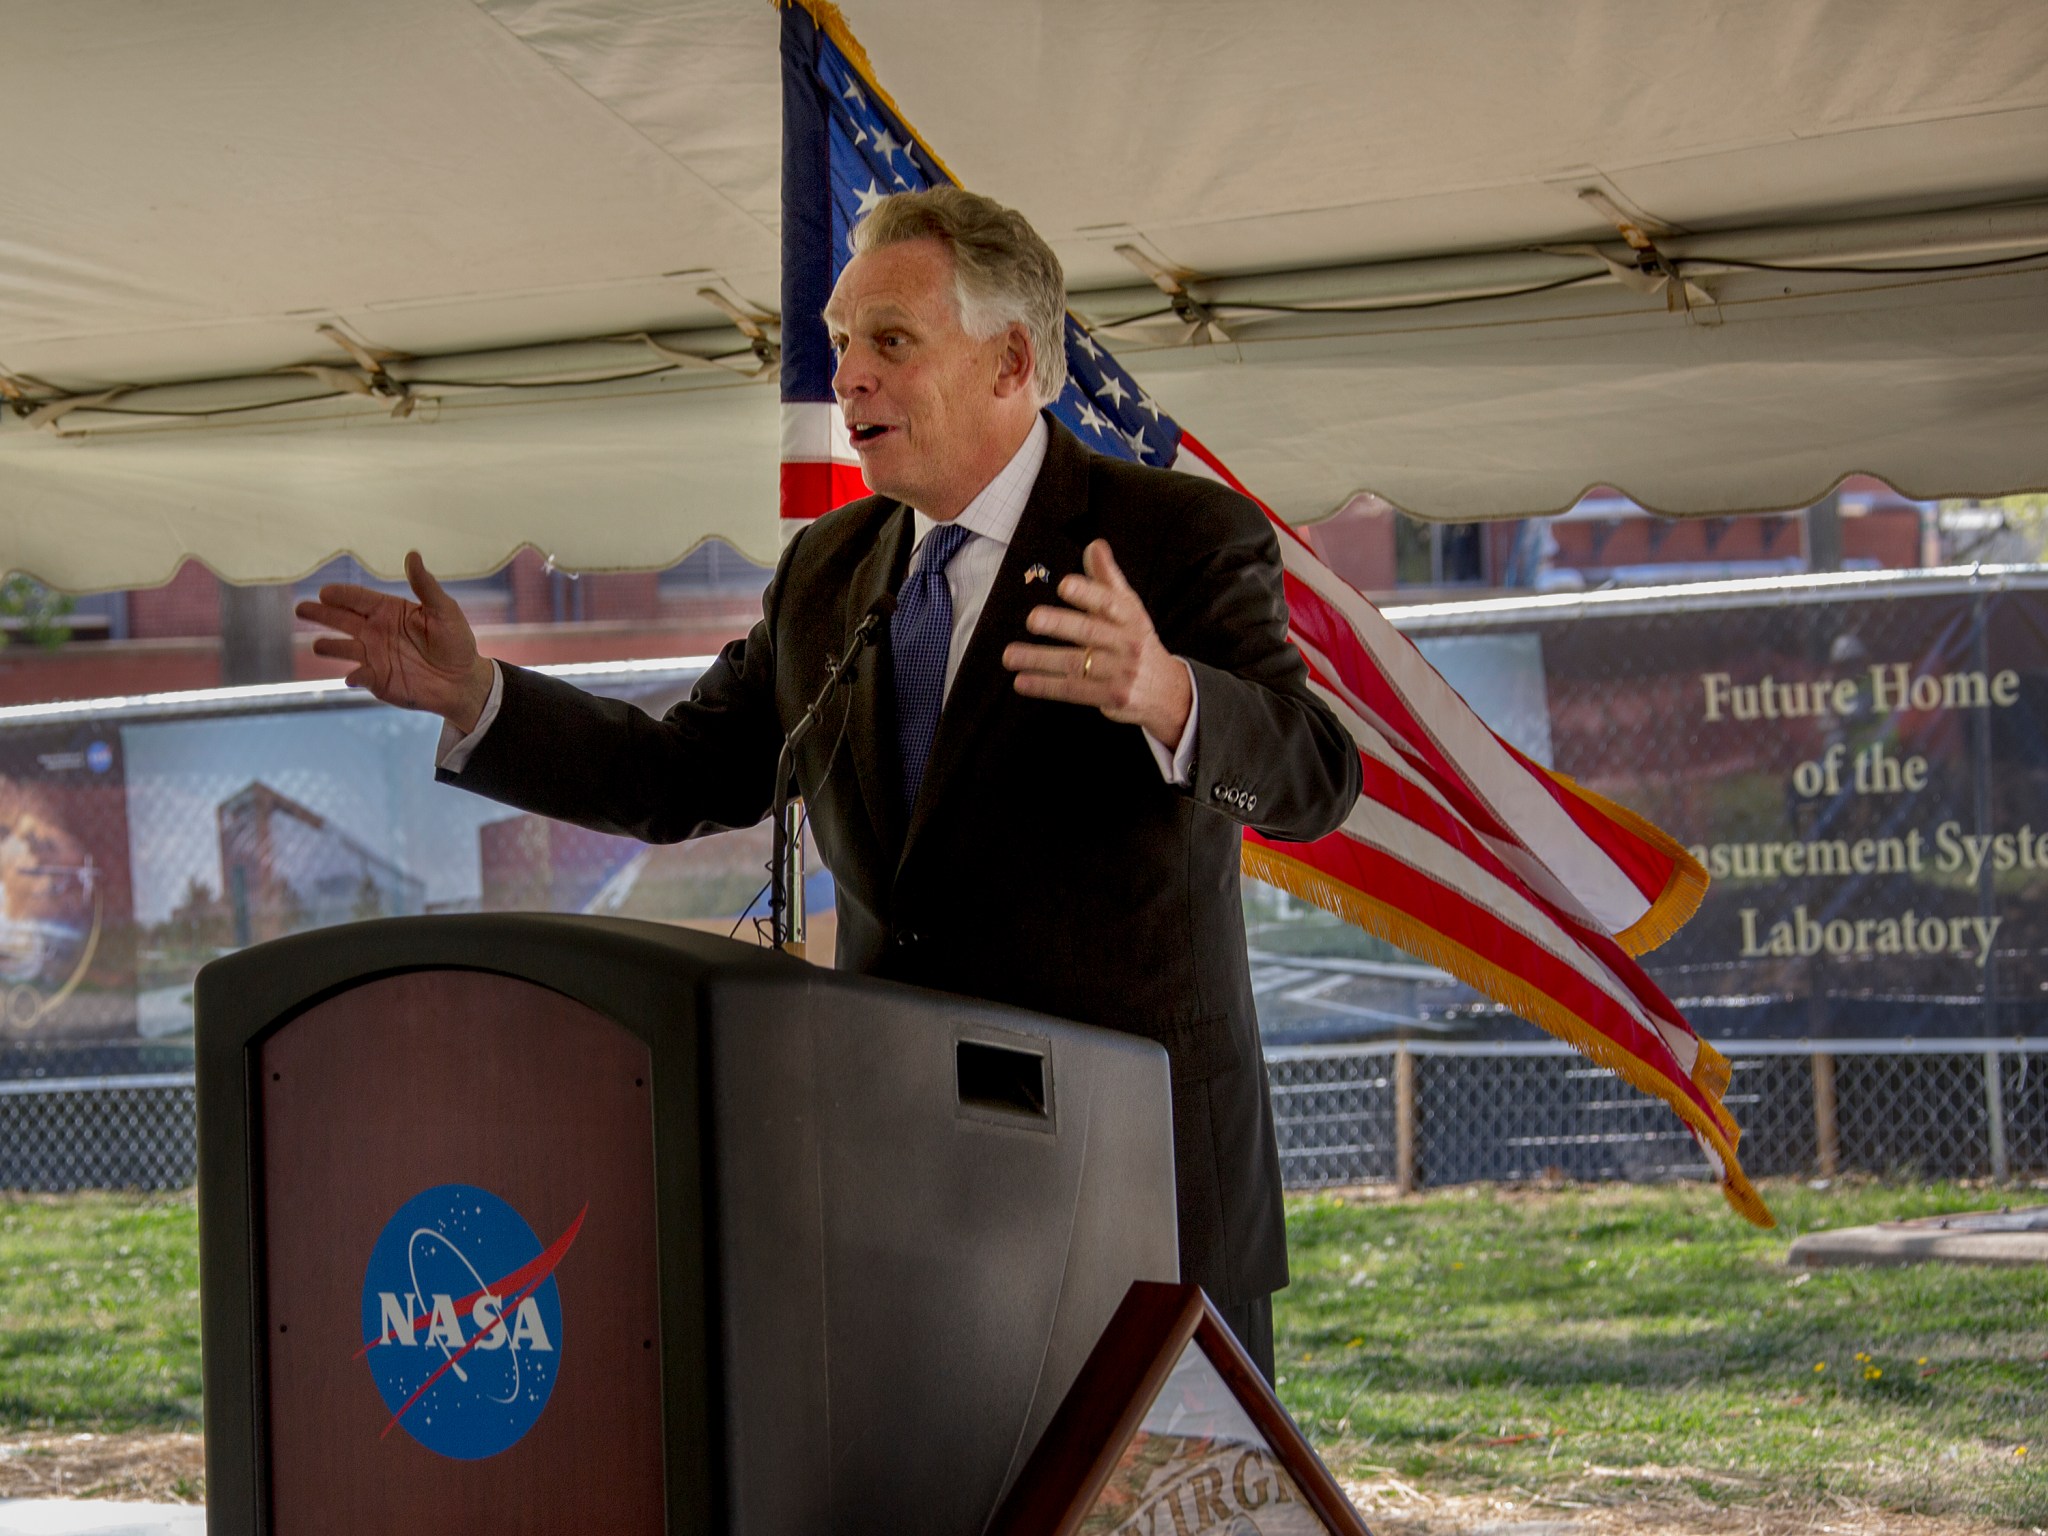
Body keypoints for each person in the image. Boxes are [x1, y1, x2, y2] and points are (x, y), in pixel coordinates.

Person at [298, 188, 1361, 1380]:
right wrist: (479, 698)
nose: (845, 377)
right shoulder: (827, 569)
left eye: (889, 341)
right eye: (839, 339)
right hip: (910, 1189)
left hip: (1139, 1192)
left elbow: (1316, 778)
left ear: (1012, 360)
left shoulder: (1174, 536)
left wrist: (1170, 695)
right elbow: (683, 772)